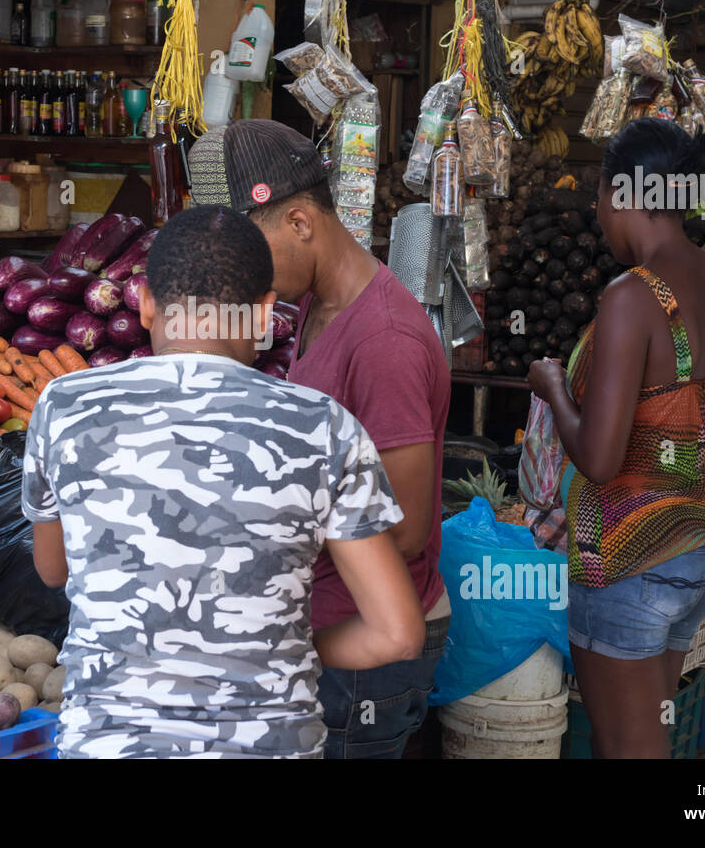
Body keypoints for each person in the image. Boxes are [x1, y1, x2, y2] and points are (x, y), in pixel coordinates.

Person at [21, 204, 426, 758]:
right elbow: (398, 634)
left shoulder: (64, 407)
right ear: (264, 314)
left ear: (144, 303)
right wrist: (284, 645)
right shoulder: (324, 428)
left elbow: (52, 568)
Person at [188, 119, 450, 759]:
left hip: (360, 646)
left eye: (248, 253)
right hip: (324, 626)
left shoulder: (383, 341)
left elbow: (408, 529)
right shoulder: (316, 305)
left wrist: (271, 523)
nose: (240, 277)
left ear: (300, 224)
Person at [526, 119, 705, 758]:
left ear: (621, 194)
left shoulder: (630, 297)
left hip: (629, 559)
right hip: (697, 555)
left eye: (599, 200)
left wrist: (553, 386)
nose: (597, 216)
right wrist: (671, 428)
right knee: (649, 742)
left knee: (626, 751)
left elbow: (600, 456)